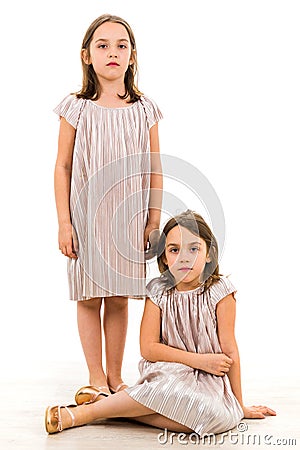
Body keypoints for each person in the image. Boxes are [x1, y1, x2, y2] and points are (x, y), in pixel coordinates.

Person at [45, 210, 276, 435]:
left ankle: (113, 406)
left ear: (208, 254)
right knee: (167, 392)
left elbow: (230, 349)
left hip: (208, 382)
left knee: (214, 417)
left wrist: (239, 404)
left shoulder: (220, 292)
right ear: (165, 256)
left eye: (194, 249)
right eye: (174, 250)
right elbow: (149, 348)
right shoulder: (158, 291)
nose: (184, 257)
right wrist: (198, 360)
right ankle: (84, 414)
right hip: (168, 371)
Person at [53, 14, 163, 397]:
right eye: (102, 45)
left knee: (118, 297)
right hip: (86, 219)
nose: (112, 52)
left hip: (127, 219)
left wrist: (152, 221)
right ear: (86, 55)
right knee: (89, 295)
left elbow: (154, 168)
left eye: (121, 45)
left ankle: (116, 377)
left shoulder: (144, 109)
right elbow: (63, 166)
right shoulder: (76, 107)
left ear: (133, 57)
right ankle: (95, 377)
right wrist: (64, 222)